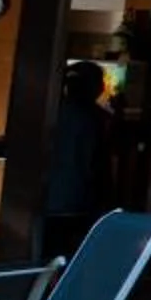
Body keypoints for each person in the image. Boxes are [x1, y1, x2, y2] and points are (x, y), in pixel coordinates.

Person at [43, 61, 115, 258]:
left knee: (50, 254)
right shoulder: (95, 118)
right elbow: (93, 164)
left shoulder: (48, 112)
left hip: (48, 199)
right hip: (78, 200)